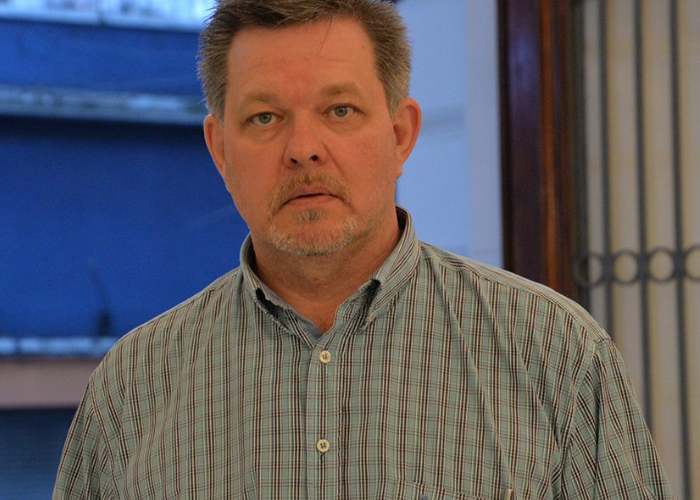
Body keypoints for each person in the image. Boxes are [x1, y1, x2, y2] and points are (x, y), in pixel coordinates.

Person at [53, 0, 674, 498]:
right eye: (265, 118)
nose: (303, 148)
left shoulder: (556, 352)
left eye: (340, 110)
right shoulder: (133, 387)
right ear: (220, 150)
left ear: (400, 135)